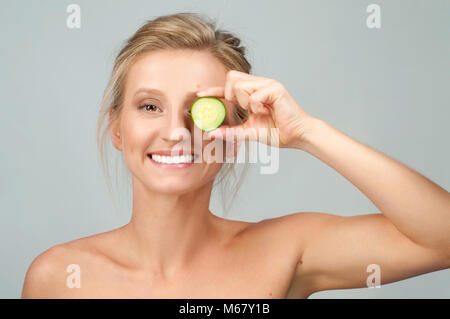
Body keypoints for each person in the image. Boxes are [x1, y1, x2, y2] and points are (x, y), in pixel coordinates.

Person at [21, 12, 450, 298]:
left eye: (199, 110)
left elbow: (442, 240)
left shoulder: (285, 250)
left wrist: (307, 132)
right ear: (117, 127)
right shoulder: (59, 277)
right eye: (150, 106)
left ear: (235, 129)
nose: (175, 132)